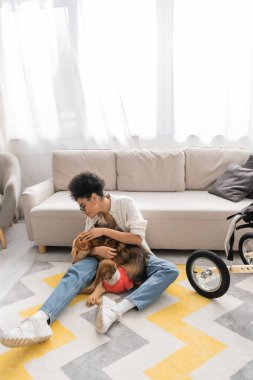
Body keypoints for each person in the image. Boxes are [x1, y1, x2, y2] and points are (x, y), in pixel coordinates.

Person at [0, 172, 179, 348]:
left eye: (83, 205)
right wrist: (95, 249)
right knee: (76, 272)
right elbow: (84, 245)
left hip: (135, 257)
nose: (82, 211)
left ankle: (116, 309)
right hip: (103, 257)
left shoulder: (126, 204)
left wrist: (104, 231)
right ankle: (40, 320)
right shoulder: (92, 218)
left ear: (94, 197)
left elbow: (137, 239)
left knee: (170, 270)